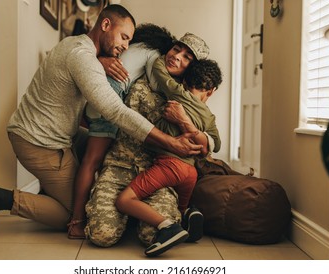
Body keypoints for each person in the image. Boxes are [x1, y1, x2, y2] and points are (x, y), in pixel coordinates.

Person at [0, 5, 202, 237]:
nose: (125, 47)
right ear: (105, 25)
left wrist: (101, 60)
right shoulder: (82, 57)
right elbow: (115, 110)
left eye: (129, 41)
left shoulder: (76, 44)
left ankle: (97, 195)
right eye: (123, 38)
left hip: (58, 133)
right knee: (76, 212)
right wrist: (170, 142)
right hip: (40, 143)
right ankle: (0, 198)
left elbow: (84, 65)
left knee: (107, 150)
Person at [85, 33, 220, 254]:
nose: (177, 57)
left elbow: (210, 143)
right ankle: (126, 218)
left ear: (193, 69)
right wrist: (103, 60)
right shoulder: (137, 78)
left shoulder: (190, 98)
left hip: (157, 172)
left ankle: (143, 218)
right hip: (120, 165)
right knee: (102, 235)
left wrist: (185, 122)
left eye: (186, 57)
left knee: (152, 235)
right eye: (176, 49)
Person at [68, 23, 177, 239]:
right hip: (109, 102)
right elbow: (156, 83)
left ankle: (88, 214)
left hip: (93, 99)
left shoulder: (133, 47)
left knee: (90, 161)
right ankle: (77, 221)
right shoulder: (154, 54)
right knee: (92, 162)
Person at [115, 55, 223, 257]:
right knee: (179, 210)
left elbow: (157, 67)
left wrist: (165, 52)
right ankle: (188, 215)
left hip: (169, 166)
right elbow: (215, 144)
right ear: (211, 91)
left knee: (124, 200)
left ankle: (167, 227)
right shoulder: (209, 116)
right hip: (190, 173)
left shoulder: (177, 92)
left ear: (184, 80)